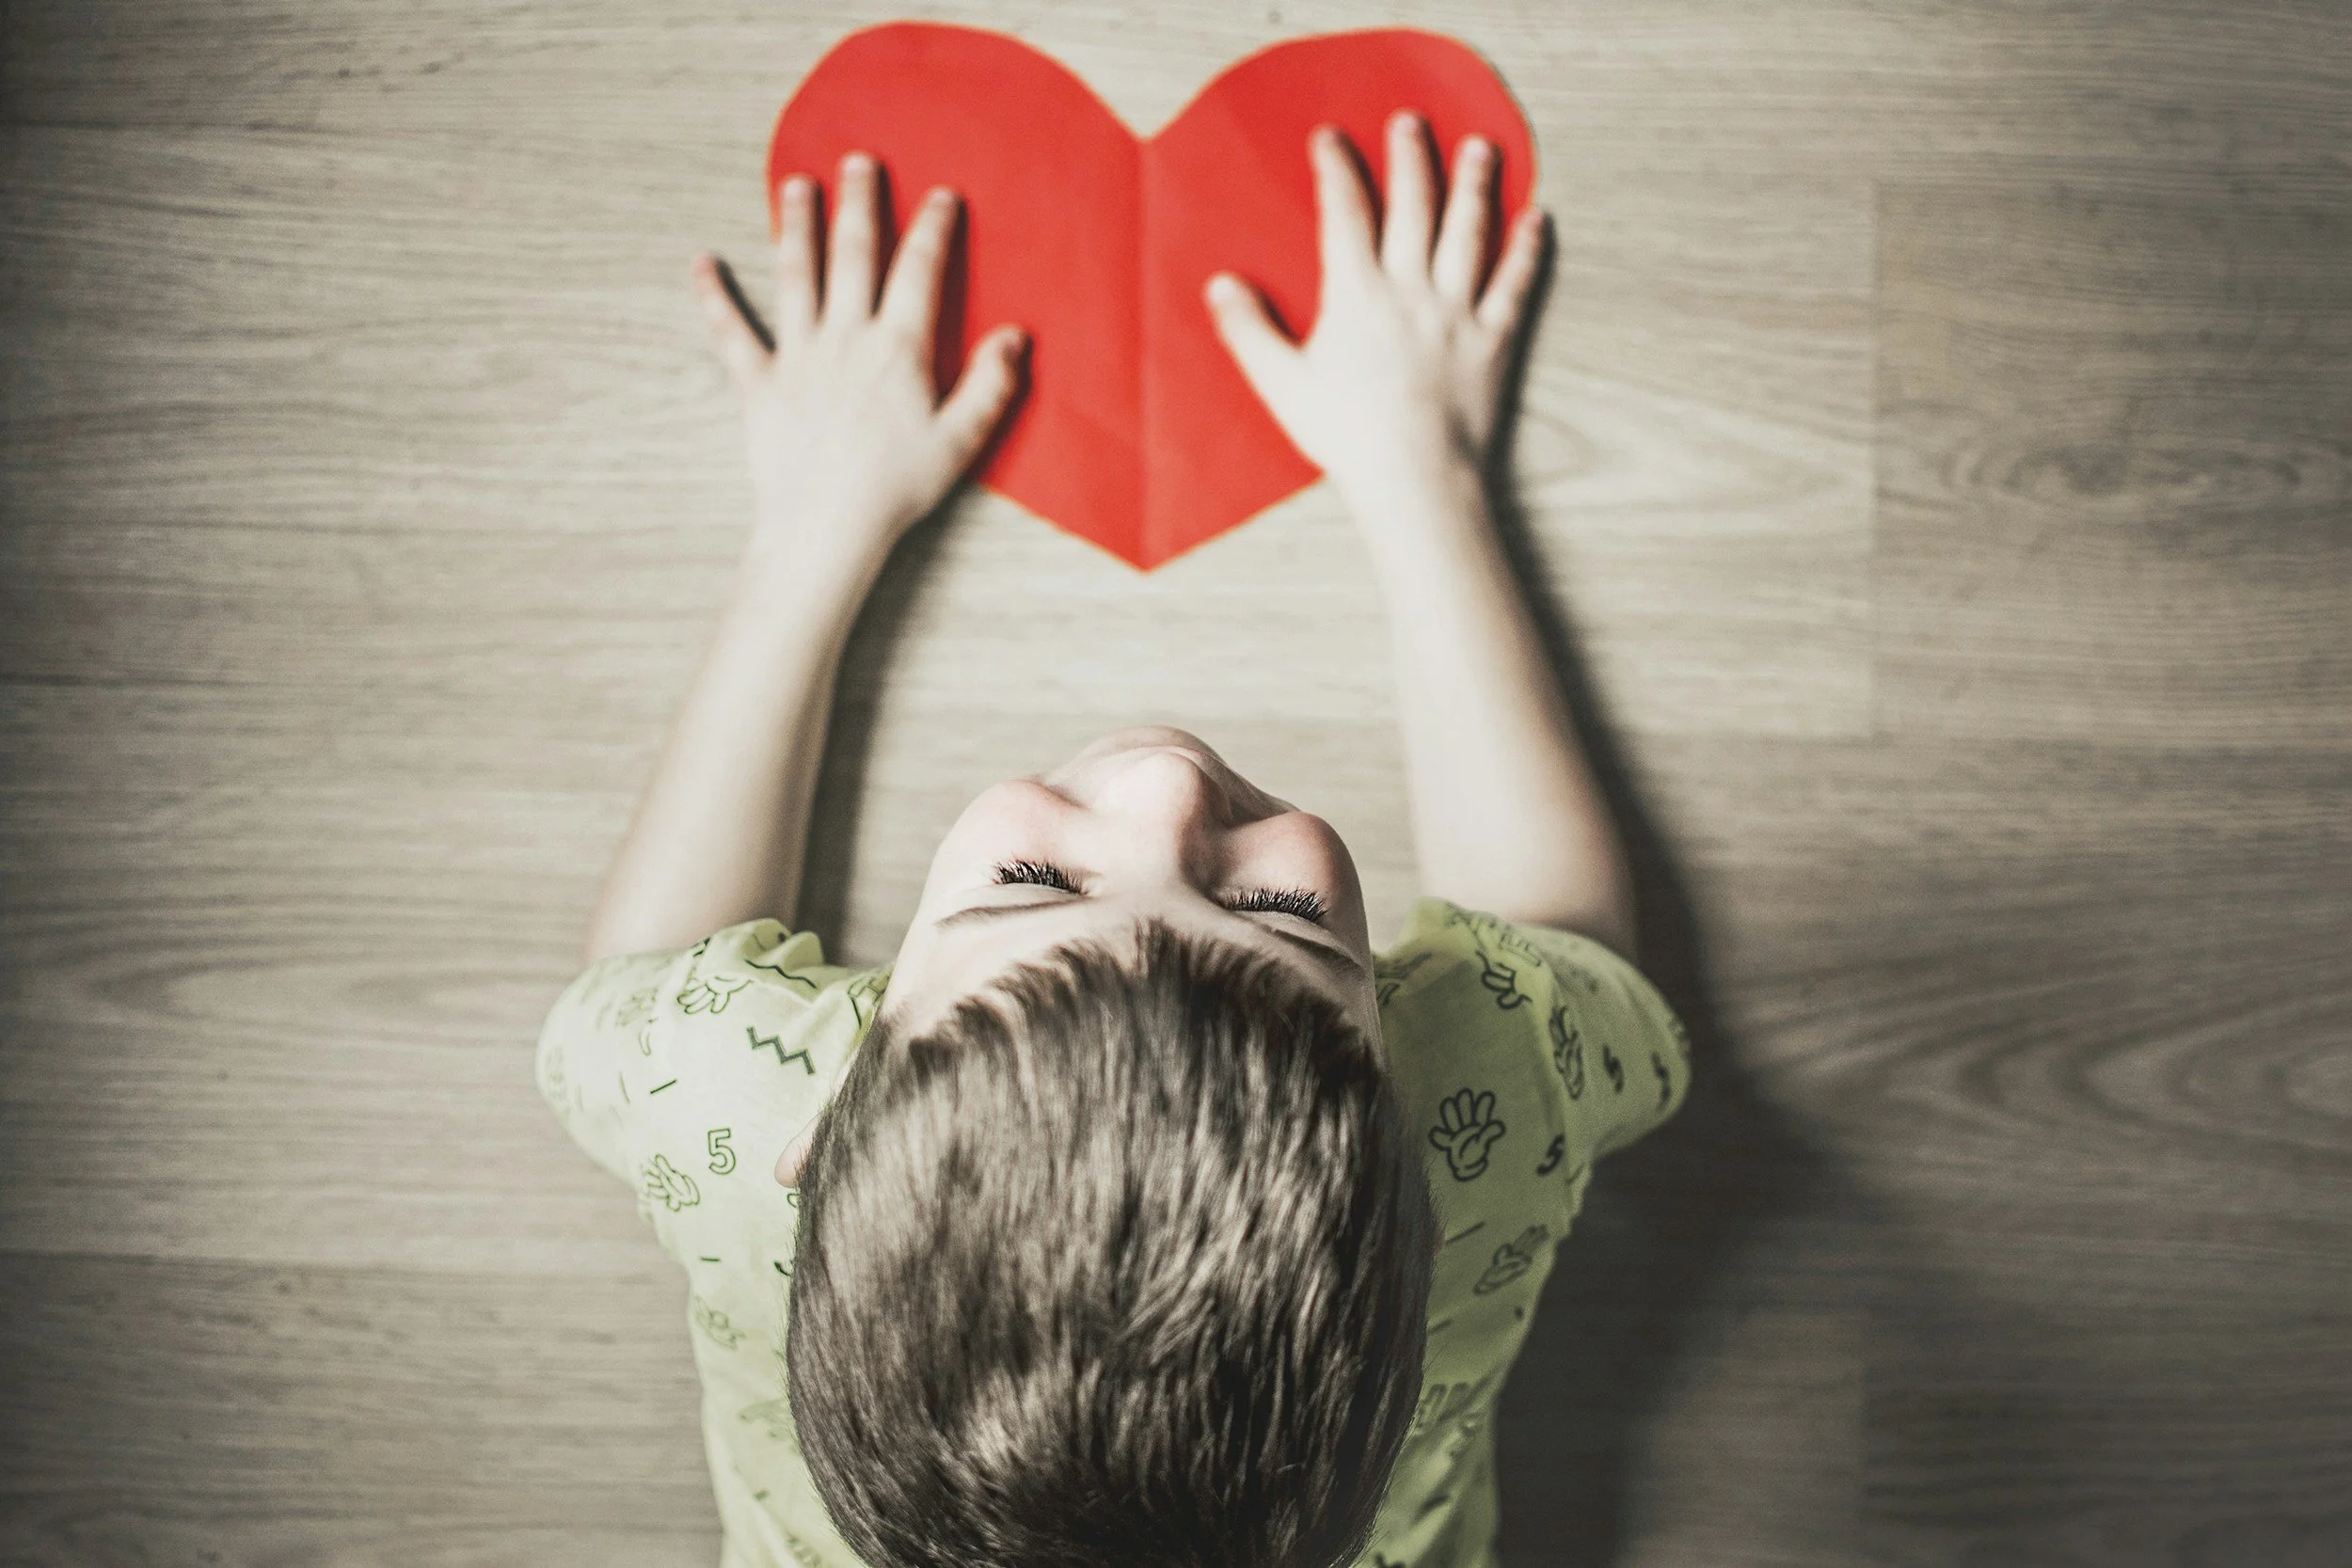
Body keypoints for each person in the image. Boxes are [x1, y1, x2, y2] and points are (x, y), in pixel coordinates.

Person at [536, 109, 1691, 1568]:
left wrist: (810, 530)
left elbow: (634, 982)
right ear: (1411, 1100)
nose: (1164, 785)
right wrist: (1424, 472)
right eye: (1279, 920)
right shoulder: (1480, 1115)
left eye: (1033, 886)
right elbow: (1571, 950)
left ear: (817, 1132)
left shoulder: (729, 1106)